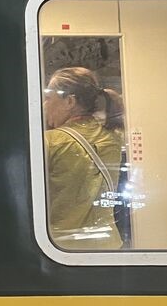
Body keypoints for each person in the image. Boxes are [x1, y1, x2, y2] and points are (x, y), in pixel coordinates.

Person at [43, 67, 125, 249]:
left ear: (69, 101)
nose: (44, 104)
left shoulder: (50, 142)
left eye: (48, 98)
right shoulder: (112, 137)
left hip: (63, 249)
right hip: (108, 245)